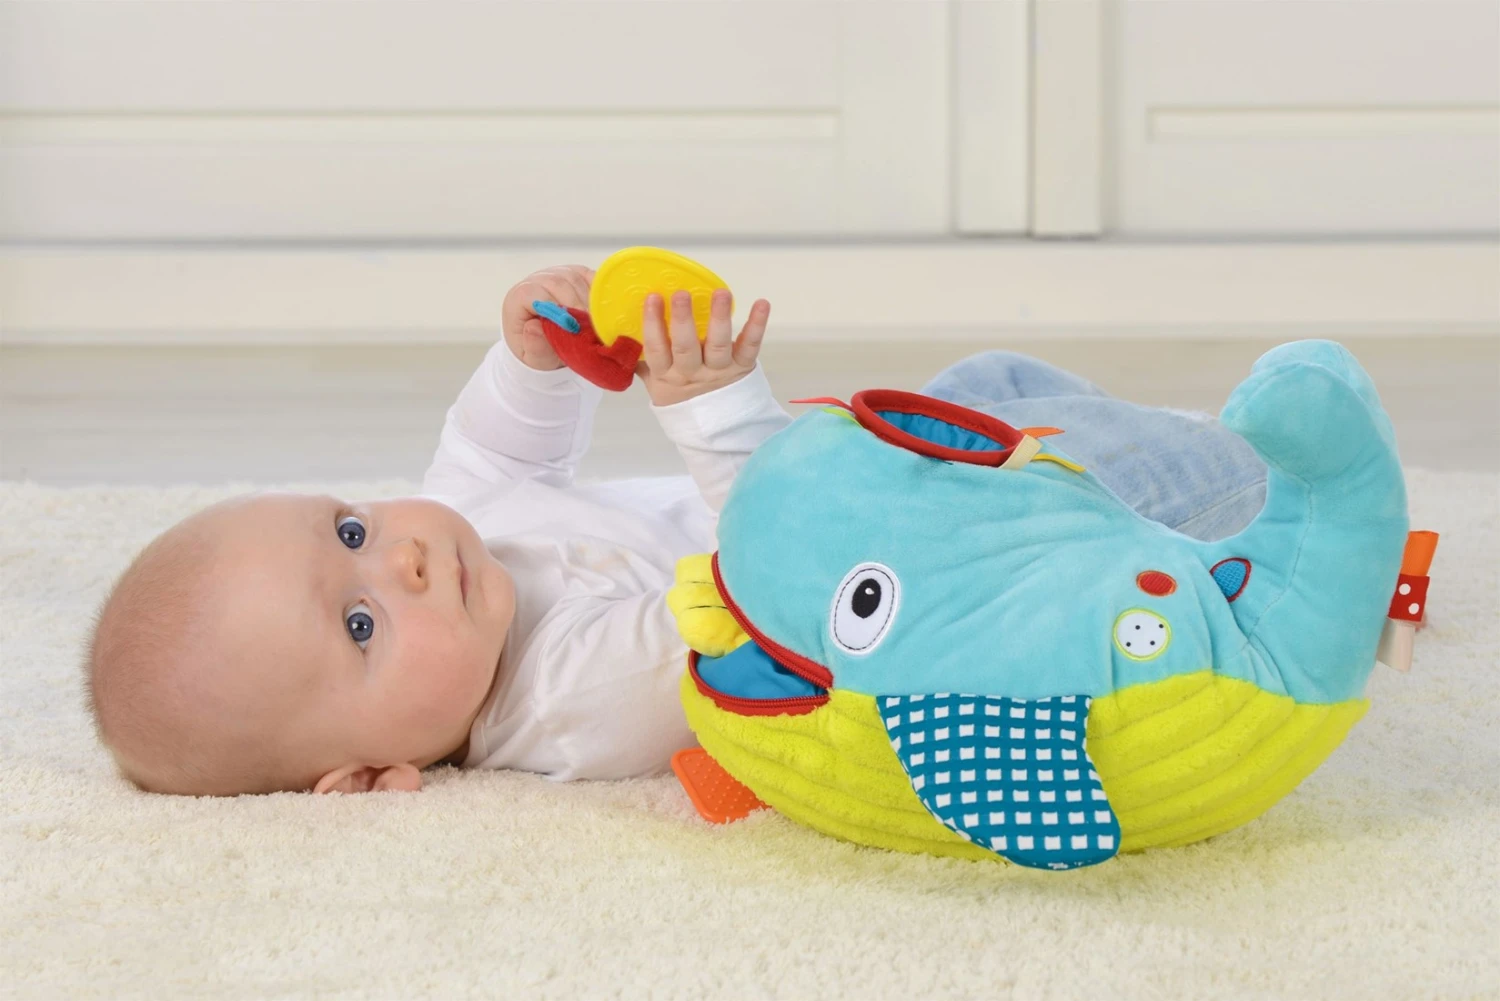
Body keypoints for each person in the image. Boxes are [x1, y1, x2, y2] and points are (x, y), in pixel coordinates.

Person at [84, 264, 1266, 796]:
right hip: (919, 579)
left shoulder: (461, 541)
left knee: (986, 382)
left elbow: (496, 452)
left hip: (870, 487)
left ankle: (1127, 428)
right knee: (1144, 486)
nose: (399, 558)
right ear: (371, 776)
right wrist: (712, 407)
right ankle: (1253, 471)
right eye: (359, 624)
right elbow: (773, 583)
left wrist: (531, 356)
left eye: (346, 529)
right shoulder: (573, 700)